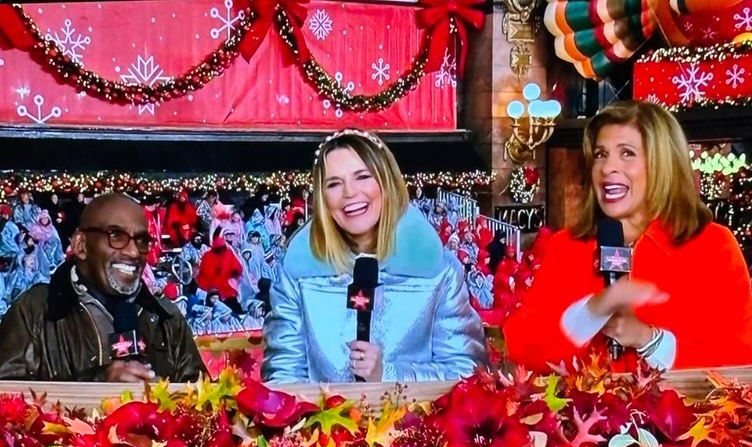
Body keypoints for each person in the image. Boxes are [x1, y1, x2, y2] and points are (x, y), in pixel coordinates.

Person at [504, 101, 752, 373]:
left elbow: (739, 358)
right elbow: (522, 350)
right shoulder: (567, 247)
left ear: (662, 165)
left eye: (627, 153)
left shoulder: (712, 246)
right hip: (584, 414)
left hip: (688, 414)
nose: (607, 167)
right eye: (600, 154)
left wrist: (649, 340)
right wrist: (592, 312)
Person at [263, 129, 485, 383]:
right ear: (322, 198)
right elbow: (281, 379)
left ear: (386, 182)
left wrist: (388, 375)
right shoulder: (297, 272)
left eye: (362, 177)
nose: (349, 193)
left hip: (414, 422)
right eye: (334, 184)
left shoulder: (440, 272)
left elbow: (469, 374)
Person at [0, 193, 206, 382]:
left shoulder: (165, 317)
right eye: (116, 235)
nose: (134, 252)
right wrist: (99, 383)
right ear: (81, 245)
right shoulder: (34, 311)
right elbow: (9, 405)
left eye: (142, 240)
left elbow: (206, 406)